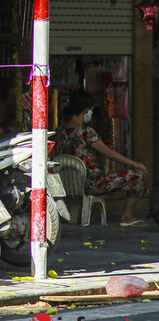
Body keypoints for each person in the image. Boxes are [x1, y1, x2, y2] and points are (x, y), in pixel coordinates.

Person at [56, 90, 148, 227]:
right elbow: (109, 154)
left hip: (68, 185)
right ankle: (127, 216)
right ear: (86, 110)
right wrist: (136, 164)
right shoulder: (86, 132)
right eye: (91, 110)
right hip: (92, 185)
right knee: (138, 175)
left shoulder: (59, 132)